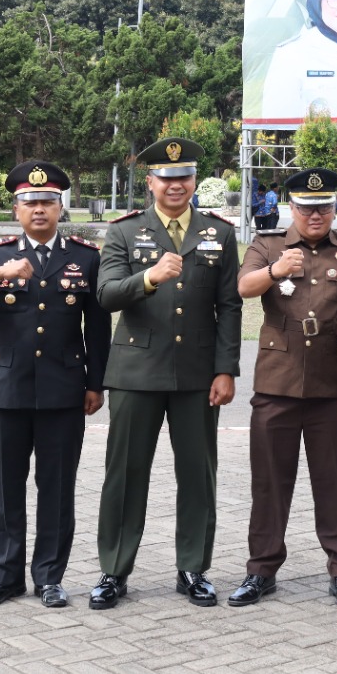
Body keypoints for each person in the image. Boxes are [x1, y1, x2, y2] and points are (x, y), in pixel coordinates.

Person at [0, 161, 110, 609]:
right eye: (29, 203)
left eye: (47, 202)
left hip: (63, 391)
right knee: (5, 487)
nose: (39, 210)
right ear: (16, 209)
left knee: (57, 489)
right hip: (6, 391)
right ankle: (3, 578)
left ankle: (50, 577)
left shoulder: (84, 257)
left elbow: (98, 329)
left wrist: (96, 384)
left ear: (60, 208)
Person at [90, 137, 243, 610]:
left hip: (198, 375)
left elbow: (229, 305)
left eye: (184, 177)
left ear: (194, 182)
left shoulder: (219, 232)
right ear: (150, 182)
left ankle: (193, 568)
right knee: (126, 474)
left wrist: (226, 369)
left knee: (198, 474)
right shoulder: (122, 232)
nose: (175, 186)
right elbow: (107, 295)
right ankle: (114, 571)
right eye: (166, 177)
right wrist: (150, 278)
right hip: (136, 371)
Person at [226, 169, 337, 611]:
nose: (316, 214)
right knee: (270, 482)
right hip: (276, 383)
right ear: (291, 208)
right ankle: (261, 570)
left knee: (336, 483)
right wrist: (276, 270)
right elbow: (244, 287)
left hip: (331, 387)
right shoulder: (268, 245)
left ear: (335, 209)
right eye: (307, 207)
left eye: (324, 207)